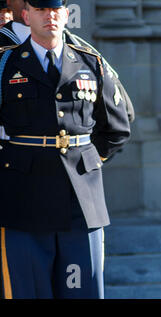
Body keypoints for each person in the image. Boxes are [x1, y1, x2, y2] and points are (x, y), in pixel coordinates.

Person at [0, 0, 131, 298]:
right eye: (41, 9)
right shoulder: (5, 64)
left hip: (80, 201)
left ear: (66, 13)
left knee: (83, 291)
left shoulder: (89, 60)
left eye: (56, 9)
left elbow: (118, 126)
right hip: (24, 198)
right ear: (26, 15)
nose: (50, 16)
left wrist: (87, 161)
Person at [0, 0, 134, 149]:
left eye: (52, 8)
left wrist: (85, 161)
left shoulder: (81, 52)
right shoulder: (4, 57)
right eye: (40, 8)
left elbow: (121, 116)